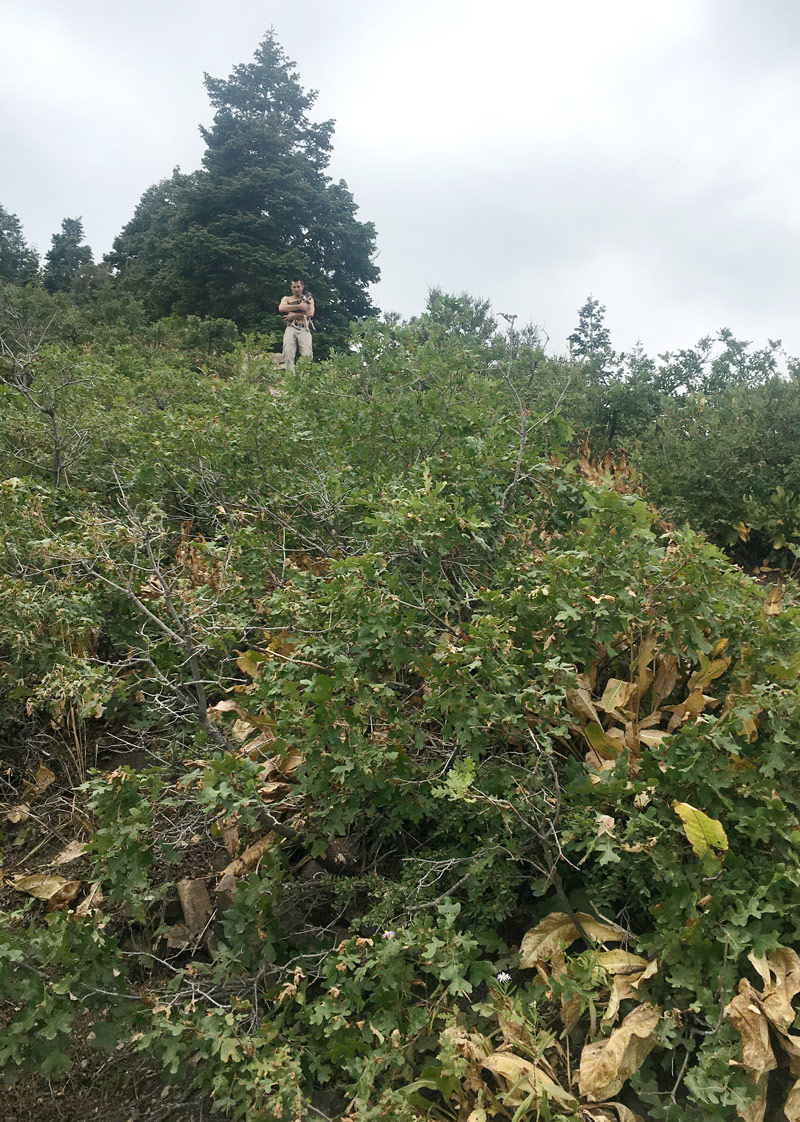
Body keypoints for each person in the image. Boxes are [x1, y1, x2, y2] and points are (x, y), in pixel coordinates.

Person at [279, 279, 315, 373]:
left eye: (298, 287)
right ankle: (290, 377)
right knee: (287, 352)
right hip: (291, 327)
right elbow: (282, 308)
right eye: (294, 287)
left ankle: (305, 377)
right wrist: (299, 307)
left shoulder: (308, 299)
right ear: (291, 288)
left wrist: (294, 315)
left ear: (302, 287)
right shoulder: (287, 299)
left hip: (304, 328)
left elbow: (310, 313)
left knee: (307, 355)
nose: (296, 289)